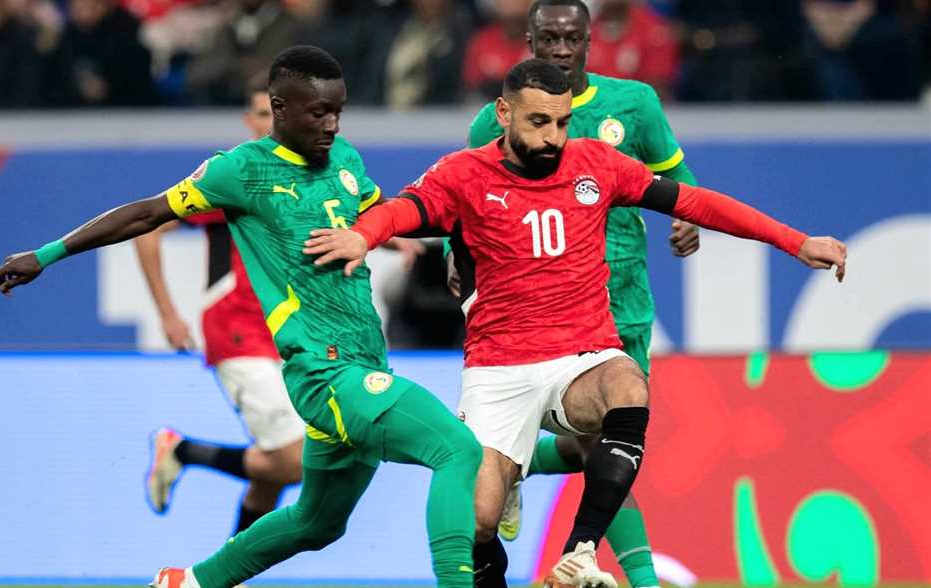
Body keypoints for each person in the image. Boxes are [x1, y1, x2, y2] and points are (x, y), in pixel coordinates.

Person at [302, 58, 847, 588]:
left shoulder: (597, 163)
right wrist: (363, 236)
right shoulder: (464, 174)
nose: (553, 137)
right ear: (504, 114)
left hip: (582, 358)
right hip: (499, 369)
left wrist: (795, 241)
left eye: (562, 122)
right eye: (538, 121)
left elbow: (694, 202)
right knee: (477, 523)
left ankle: (579, 551)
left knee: (628, 385)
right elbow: (403, 210)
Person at [0, 45, 481, 588]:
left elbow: (387, 216)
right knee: (456, 449)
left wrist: (452, 239)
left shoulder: (345, 160)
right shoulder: (241, 169)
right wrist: (46, 255)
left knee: (317, 523)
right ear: (279, 107)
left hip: (365, 359)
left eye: (338, 112)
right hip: (327, 372)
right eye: (319, 113)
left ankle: (188, 582)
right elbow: (147, 213)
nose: (332, 125)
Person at [453, 3, 699, 586]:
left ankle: (517, 470)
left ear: (591, 39)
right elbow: (462, 202)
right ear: (529, 40)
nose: (561, 48)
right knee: (598, 447)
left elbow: (678, 178)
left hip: (624, 300)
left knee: (607, 440)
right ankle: (631, 576)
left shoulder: (634, 104)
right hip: (542, 305)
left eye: (572, 37)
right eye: (549, 38)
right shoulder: (496, 119)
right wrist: (452, 258)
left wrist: (686, 216)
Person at [135, 74, 305, 536]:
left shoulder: (303, 178)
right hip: (238, 330)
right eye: (265, 113)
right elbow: (150, 227)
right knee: (296, 461)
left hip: (286, 338)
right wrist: (167, 312)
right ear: (250, 120)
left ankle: (233, 570)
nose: (274, 122)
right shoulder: (235, 175)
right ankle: (182, 450)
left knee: (270, 477)